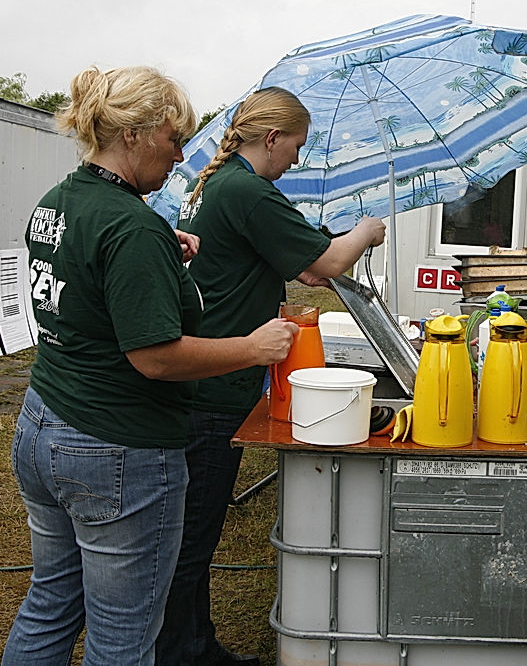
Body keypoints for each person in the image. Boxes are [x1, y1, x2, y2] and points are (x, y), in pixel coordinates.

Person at [2, 66, 299, 666]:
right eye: (172, 139)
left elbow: (92, 284)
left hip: (43, 423)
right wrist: (253, 347)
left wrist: (162, 246)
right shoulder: (131, 226)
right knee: (124, 633)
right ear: (134, 134)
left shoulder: (58, 201)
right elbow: (156, 358)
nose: (181, 155)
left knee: (51, 602)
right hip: (116, 444)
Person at [155, 86, 386, 666]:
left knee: (192, 531)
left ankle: (192, 645)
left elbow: (302, 267)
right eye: (296, 147)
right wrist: (365, 231)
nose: (296, 160)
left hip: (211, 374)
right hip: (216, 383)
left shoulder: (219, 183)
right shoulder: (249, 191)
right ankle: (180, 653)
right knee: (192, 536)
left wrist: (309, 259)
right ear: (272, 137)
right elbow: (329, 263)